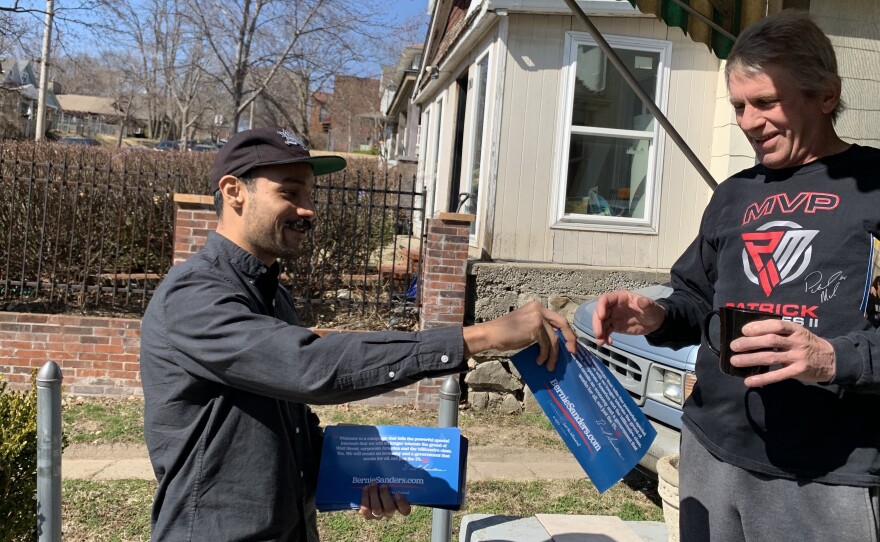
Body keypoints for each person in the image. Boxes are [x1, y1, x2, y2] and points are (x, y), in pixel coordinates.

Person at [139, 127, 577, 541]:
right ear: (234, 191)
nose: (307, 209)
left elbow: (288, 424)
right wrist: (479, 337)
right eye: (289, 192)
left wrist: (364, 474)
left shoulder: (271, 294)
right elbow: (309, 367)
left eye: (309, 194)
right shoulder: (193, 295)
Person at [591, 11, 880, 541]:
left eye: (765, 102)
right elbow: (697, 301)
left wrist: (835, 359)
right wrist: (656, 315)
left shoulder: (874, 186)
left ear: (827, 95)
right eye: (739, 106)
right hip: (712, 447)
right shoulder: (733, 194)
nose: (748, 121)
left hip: (827, 474)